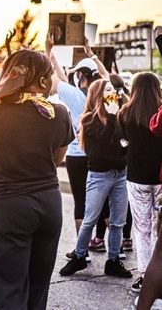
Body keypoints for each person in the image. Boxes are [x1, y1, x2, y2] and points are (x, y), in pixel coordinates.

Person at [0, 49, 74, 310]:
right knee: (39, 284)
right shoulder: (60, 114)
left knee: (9, 286)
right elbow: (55, 160)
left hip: (10, 206)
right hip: (49, 204)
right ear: (41, 81)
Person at [45, 35, 111, 259]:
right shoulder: (102, 92)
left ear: (80, 75)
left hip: (75, 154)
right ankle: (115, 245)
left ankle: (81, 252)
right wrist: (90, 52)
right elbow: (105, 75)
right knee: (101, 199)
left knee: (80, 201)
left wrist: (48, 51)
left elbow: (52, 79)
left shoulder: (72, 95)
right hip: (96, 153)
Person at [59, 79, 131, 279]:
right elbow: (98, 151)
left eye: (113, 90)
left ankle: (114, 260)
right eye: (108, 90)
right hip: (100, 175)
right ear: (98, 94)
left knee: (118, 221)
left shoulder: (119, 117)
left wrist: (123, 147)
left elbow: (123, 142)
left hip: (120, 174)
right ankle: (79, 255)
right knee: (90, 218)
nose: (112, 93)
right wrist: (110, 117)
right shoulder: (89, 119)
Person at [119, 72, 162, 293]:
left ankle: (146, 277)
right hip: (160, 177)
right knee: (159, 229)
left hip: (137, 178)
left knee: (142, 229)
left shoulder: (125, 114)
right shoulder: (160, 112)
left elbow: (123, 141)